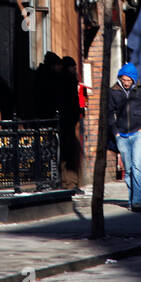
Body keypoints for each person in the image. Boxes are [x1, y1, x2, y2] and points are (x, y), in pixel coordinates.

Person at [108, 62, 141, 212]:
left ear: (134, 79)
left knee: (137, 166)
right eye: (124, 79)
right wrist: (116, 132)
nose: (126, 83)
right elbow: (109, 114)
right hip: (122, 135)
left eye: (129, 80)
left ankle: (137, 201)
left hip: (139, 134)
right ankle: (132, 199)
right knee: (128, 169)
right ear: (120, 78)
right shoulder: (113, 92)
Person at [58, 56, 83, 189]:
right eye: (73, 67)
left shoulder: (69, 81)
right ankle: (69, 182)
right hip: (65, 122)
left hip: (67, 122)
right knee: (67, 154)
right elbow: (70, 103)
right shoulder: (66, 82)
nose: (75, 70)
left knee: (67, 154)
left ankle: (68, 182)